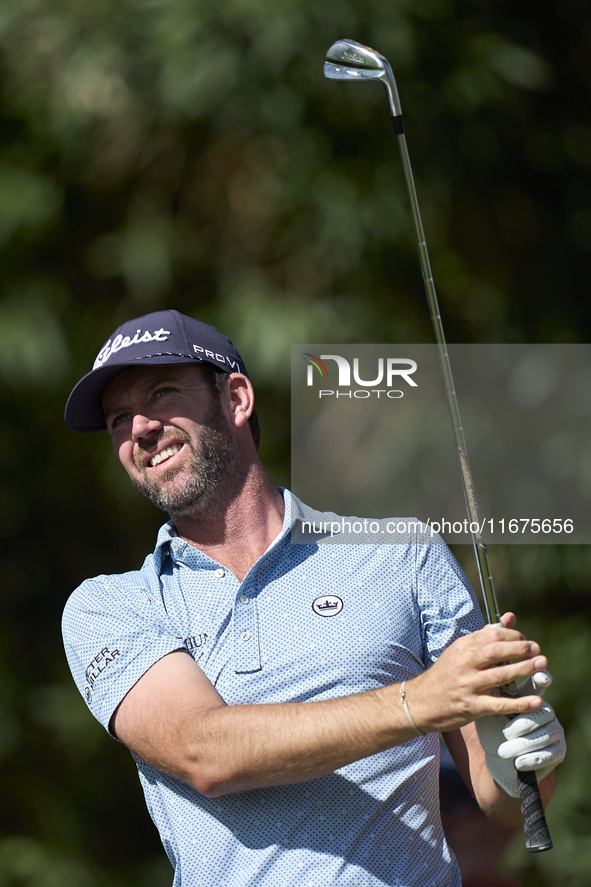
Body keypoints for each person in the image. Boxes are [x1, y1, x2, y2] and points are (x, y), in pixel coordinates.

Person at [62, 309, 566, 887]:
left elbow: (500, 795)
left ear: (236, 398)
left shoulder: (401, 553)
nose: (140, 428)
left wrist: (525, 757)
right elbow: (203, 752)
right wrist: (415, 703)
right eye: (119, 418)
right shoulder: (111, 606)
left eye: (162, 394)